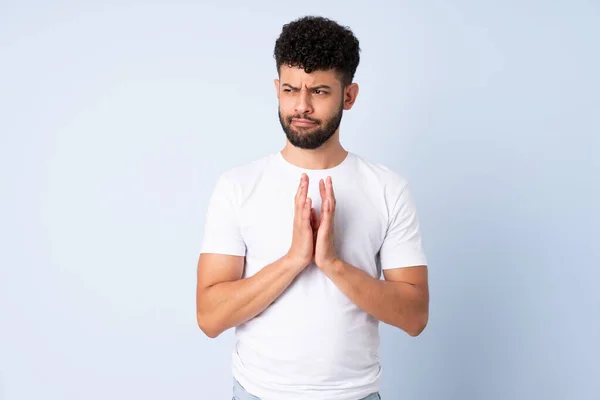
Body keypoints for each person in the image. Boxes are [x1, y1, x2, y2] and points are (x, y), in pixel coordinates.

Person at [196, 15, 429, 400]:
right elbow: (210, 317)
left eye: (319, 91)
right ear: (277, 89)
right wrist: (292, 260)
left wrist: (333, 264)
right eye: (290, 90)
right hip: (257, 393)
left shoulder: (388, 188)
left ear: (349, 96)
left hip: (355, 395)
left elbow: (415, 316)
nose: (301, 106)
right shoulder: (237, 186)